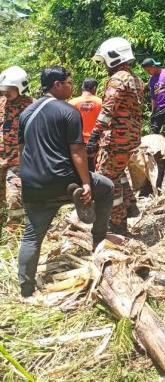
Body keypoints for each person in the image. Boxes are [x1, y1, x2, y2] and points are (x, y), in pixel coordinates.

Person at [18, 65, 114, 298]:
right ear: (57, 85)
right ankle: (98, 241)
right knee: (107, 188)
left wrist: (26, 178)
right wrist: (86, 182)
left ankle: (26, 289)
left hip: (32, 183)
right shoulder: (68, 111)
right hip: (63, 179)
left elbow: (23, 150)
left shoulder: (26, 113)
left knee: (32, 235)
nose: (72, 87)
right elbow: (78, 150)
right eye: (69, 82)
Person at [87, 38, 144, 235]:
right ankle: (129, 206)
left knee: (105, 181)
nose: (103, 65)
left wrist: (94, 136)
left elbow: (108, 110)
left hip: (116, 140)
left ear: (113, 57)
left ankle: (118, 223)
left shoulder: (118, 79)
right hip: (129, 139)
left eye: (104, 61)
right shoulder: (136, 79)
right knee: (117, 175)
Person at [0, 66, 33, 233]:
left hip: (19, 161)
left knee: (14, 197)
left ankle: (15, 231)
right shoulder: (1, 104)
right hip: (1, 159)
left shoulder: (31, 106)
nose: (5, 93)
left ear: (20, 87)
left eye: (9, 89)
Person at [141, 58, 165, 143]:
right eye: (146, 71)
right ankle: (152, 151)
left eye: (148, 70)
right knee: (154, 131)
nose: (148, 72)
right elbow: (153, 96)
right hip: (158, 108)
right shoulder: (151, 79)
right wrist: (153, 111)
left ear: (153, 66)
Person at [69, 77, 102, 168]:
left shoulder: (72, 103)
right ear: (94, 88)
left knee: (78, 169)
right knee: (93, 169)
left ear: (82, 87)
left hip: (76, 143)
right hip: (95, 143)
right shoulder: (101, 103)